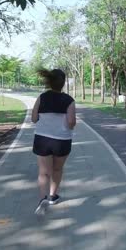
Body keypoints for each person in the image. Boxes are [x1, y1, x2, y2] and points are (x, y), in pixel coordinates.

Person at [31, 69, 76, 215]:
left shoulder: (42, 97)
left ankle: (43, 198)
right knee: (57, 170)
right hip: (62, 141)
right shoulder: (69, 100)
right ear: (63, 84)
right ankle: (52, 196)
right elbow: (71, 123)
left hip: (42, 139)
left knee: (44, 172)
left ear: (49, 82)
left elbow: (33, 118)